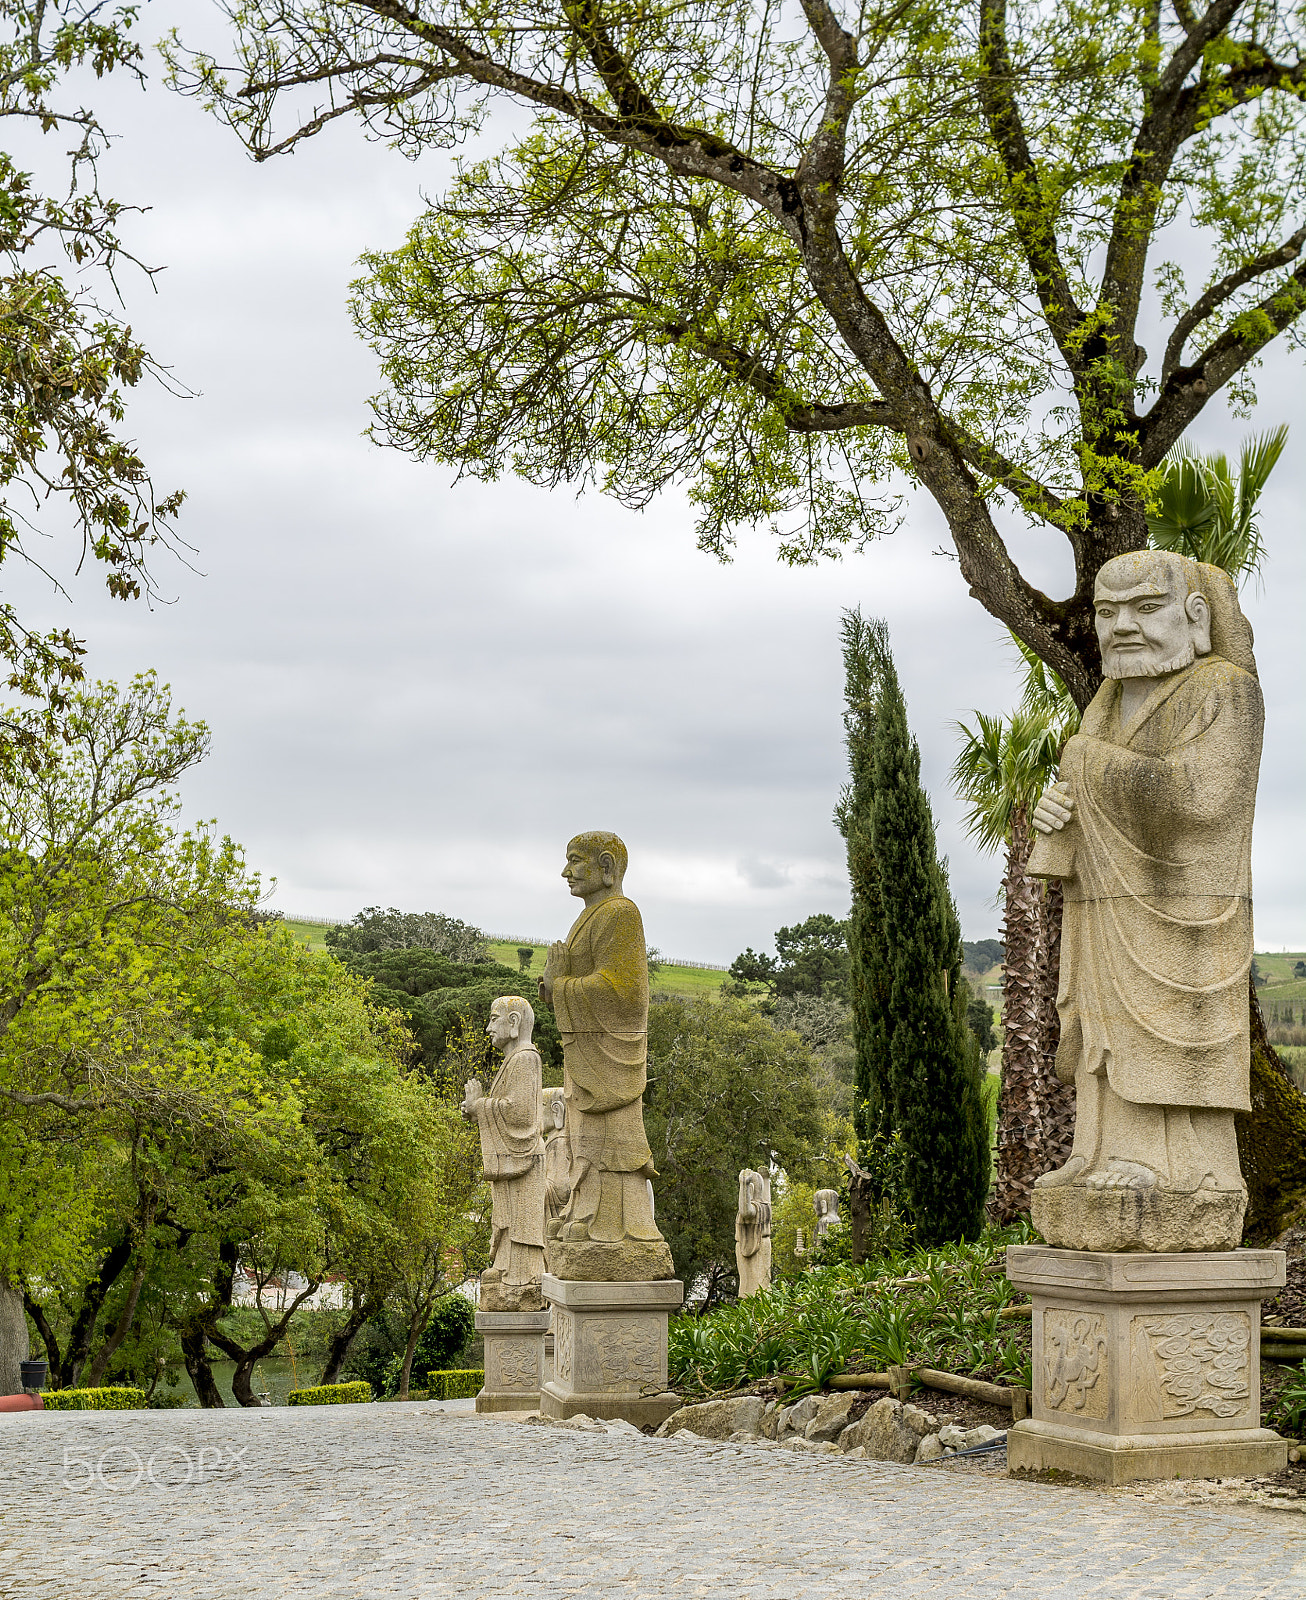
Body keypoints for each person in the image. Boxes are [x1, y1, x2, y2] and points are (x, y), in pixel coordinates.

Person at [1029, 550, 1263, 1200]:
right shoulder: (1106, 701)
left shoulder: (1226, 689)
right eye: (1108, 611)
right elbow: (1085, 795)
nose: (1122, 624)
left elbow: (1197, 796)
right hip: (1106, 906)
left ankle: (1175, 1168)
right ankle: (1096, 1148)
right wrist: (1058, 812)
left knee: (1165, 1032)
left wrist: (1084, 763)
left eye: (1144, 606)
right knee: (1106, 1036)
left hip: (1185, 907)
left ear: (1193, 616)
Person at [539, 832, 668, 1262]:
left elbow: (625, 993)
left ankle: (616, 1225)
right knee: (581, 1139)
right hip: (585, 1054)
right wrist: (553, 988)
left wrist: (564, 986)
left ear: (607, 867)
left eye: (576, 861)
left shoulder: (621, 914)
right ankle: (586, 1211)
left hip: (609, 1057)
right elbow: (587, 981)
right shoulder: (590, 917)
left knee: (613, 1143)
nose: (566, 872)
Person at [462, 996, 547, 1305]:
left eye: (493, 1019)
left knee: (522, 1225)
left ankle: (522, 1280)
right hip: (516, 1163)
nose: (488, 1028)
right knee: (508, 1221)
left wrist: (481, 1106)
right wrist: (477, 1110)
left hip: (525, 1159)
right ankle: (507, 1269)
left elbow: (522, 1115)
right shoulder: (515, 1060)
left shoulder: (526, 1058)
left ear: (513, 1022)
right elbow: (509, 1111)